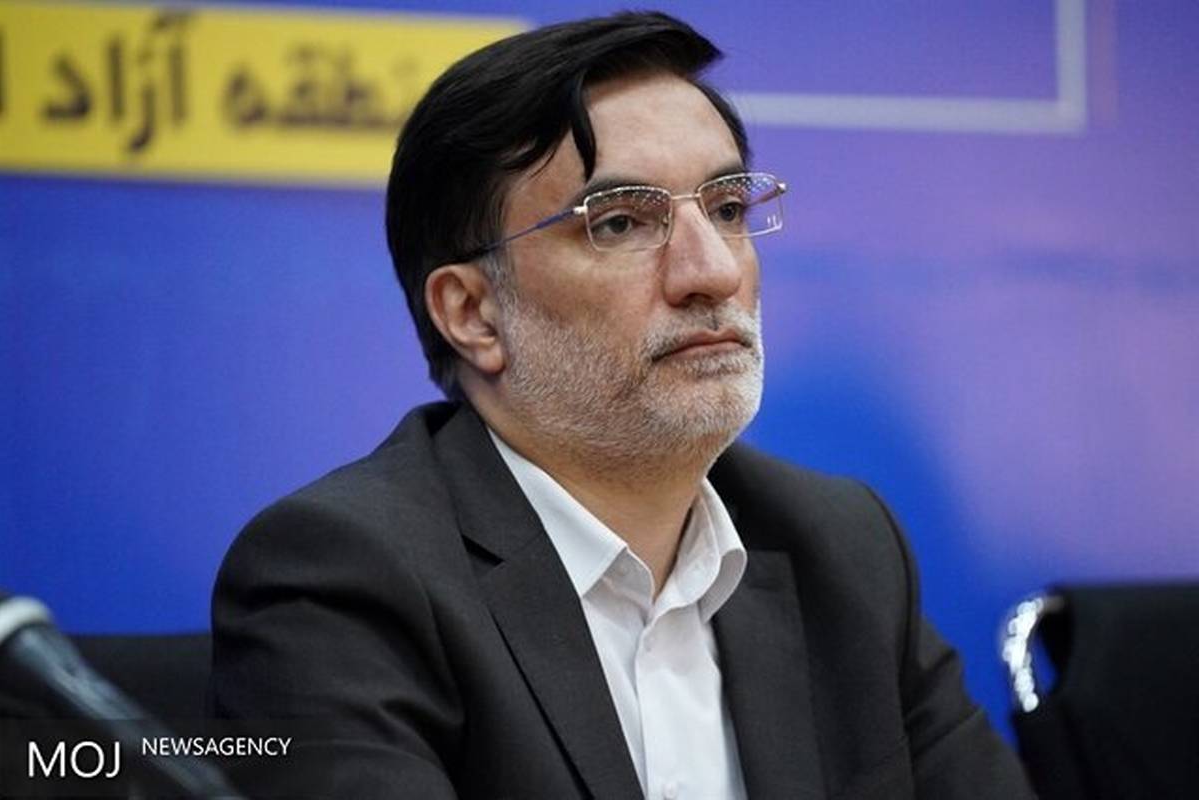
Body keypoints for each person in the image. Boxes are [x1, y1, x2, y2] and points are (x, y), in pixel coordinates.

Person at [209, 11, 1034, 799]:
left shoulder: (844, 550)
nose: (712, 272)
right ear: (473, 314)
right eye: (619, 224)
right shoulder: (342, 581)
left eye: (727, 208)